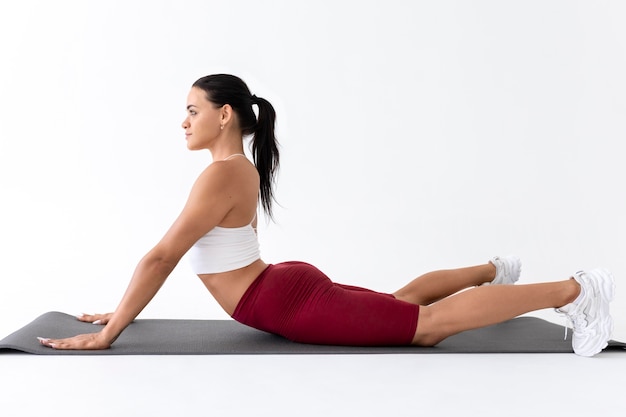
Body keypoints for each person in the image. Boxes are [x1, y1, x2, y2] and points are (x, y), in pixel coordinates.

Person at [37, 74, 616, 357]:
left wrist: (110, 334)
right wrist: (123, 309)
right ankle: (493, 270)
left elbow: (161, 256)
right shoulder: (233, 171)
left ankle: (577, 289)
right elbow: (173, 259)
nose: (183, 121)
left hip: (283, 299)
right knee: (401, 305)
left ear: (226, 116)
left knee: (426, 328)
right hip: (281, 290)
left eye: (192, 110)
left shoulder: (223, 173)